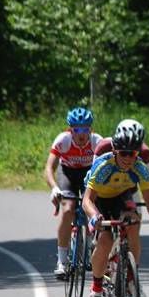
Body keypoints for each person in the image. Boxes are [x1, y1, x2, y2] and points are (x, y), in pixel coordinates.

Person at [83, 121, 149, 297]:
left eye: (133, 154)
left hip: (121, 196)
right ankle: (96, 290)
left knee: (134, 223)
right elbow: (87, 200)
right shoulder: (103, 165)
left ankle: (130, 277)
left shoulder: (140, 167)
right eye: (124, 153)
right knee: (106, 239)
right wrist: (94, 218)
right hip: (99, 200)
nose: (128, 158)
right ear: (115, 151)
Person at [44, 107, 103, 279]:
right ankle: (61, 261)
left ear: (90, 129)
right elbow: (49, 168)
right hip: (67, 173)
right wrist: (54, 188)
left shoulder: (97, 141)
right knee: (68, 208)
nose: (81, 133)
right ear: (71, 129)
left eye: (85, 129)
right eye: (77, 129)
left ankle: (94, 249)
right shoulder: (63, 140)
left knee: (92, 210)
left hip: (88, 174)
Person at [94, 118, 149, 193]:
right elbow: (92, 175)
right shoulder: (103, 147)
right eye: (123, 152)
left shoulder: (145, 152)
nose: (127, 157)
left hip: (128, 188)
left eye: (135, 147)